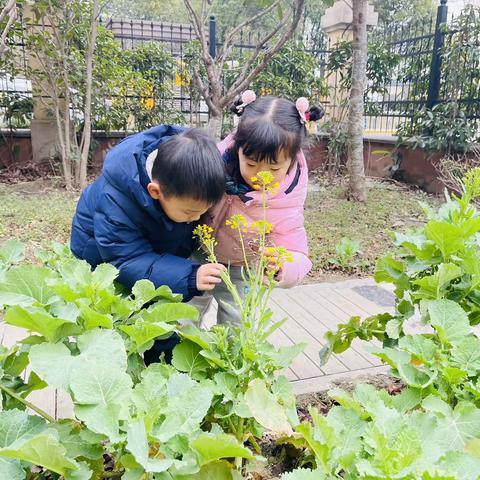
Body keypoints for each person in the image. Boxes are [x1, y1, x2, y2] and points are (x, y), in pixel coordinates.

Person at [70, 125, 226, 361]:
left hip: (150, 253)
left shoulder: (188, 172)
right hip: (100, 258)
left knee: (160, 322)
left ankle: (165, 373)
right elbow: (127, 259)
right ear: (155, 191)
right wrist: (188, 277)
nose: (196, 219)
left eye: (203, 211)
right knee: (111, 328)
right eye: (189, 213)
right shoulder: (117, 198)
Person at [197, 92, 324, 325]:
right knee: (186, 315)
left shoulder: (287, 201)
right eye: (251, 163)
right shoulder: (211, 165)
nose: (259, 175)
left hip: (242, 268)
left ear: (292, 160)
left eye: (273, 168)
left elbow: (297, 251)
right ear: (237, 149)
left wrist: (283, 266)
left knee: (238, 325)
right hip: (197, 256)